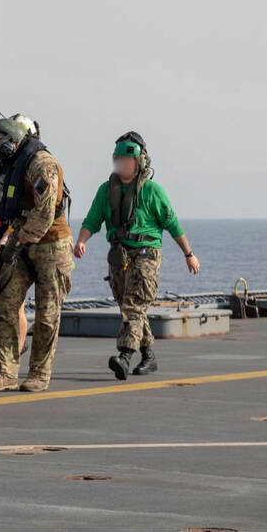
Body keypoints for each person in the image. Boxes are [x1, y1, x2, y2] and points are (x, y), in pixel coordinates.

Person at [74, 131, 200, 380]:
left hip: (146, 254)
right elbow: (92, 219)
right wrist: (81, 241)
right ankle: (149, 355)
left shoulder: (152, 191)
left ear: (139, 161)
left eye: (127, 160)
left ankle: (125, 355)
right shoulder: (106, 190)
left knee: (133, 304)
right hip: (119, 256)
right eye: (118, 159)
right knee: (129, 306)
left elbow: (172, 224)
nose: (121, 164)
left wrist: (189, 254)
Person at [0, 117, 74, 393]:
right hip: (22, 243)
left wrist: (16, 241)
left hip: (51, 246)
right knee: (5, 306)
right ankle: (6, 372)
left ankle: (39, 374)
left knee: (47, 315)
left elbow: (44, 214)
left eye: (0, 142)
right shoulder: (11, 168)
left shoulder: (43, 165)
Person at [0, 114, 40, 354]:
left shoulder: (31, 171)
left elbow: (25, 215)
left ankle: (14, 352)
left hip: (19, 241)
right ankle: (10, 338)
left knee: (15, 304)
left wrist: (6, 244)